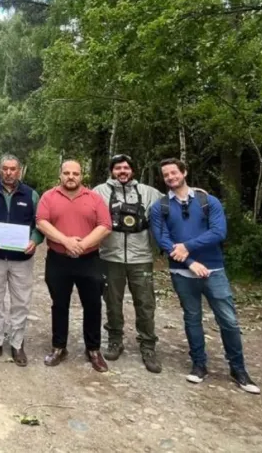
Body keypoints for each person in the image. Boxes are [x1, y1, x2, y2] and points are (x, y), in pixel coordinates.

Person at [149, 158, 260, 394]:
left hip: (214, 269)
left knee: (228, 320)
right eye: (166, 175)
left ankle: (238, 368)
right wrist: (189, 262)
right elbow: (163, 240)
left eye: (174, 172)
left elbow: (219, 232)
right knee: (192, 317)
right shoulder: (160, 207)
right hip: (182, 271)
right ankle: (199, 364)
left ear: (184, 172)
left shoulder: (208, 201)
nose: (170, 177)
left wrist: (188, 247)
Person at [36, 160, 113, 372]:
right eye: (67, 173)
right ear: (60, 175)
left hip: (89, 259)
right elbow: (42, 222)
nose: (71, 177)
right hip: (58, 259)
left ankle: (94, 349)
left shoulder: (94, 198)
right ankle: (59, 347)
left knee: (93, 305)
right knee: (59, 304)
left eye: (75, 173)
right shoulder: (48, 197)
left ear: (82, 176)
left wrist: (82, 245)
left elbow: (105, 225)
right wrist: (66, 241)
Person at [91, 154, 164, 373]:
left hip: (140, 257)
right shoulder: (99, 192)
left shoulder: (149, 193)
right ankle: (115, 339)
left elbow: (173, 203)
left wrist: (197, 193)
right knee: (112, 301)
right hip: (110, 256)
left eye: (126, 168)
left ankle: (148, 346)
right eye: (117, 168)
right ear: (111, 171)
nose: (122, 171)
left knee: (145, 302)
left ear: (133, 170)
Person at [0, 154, 43, 367]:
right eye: (5, 168)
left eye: (13, 169)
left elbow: (40, 223)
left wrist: (35, 240)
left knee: (20, 302)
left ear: (20, 170)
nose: (8, 172)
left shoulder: (31, 195)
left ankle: (17, 344)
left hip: (22, 258)